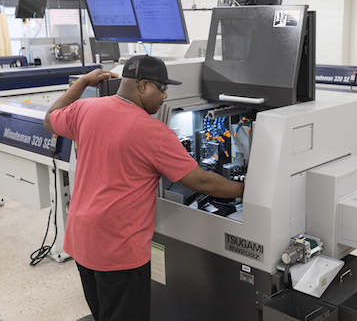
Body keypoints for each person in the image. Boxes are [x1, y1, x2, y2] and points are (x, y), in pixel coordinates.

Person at [43, 55, 244, 321]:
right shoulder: (153, 132)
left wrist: (81, 82)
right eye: (162, 89)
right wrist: (248, 190)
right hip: (119, 252)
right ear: (143, 86)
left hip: (82, 241)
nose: (165, 96)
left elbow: (49, 119)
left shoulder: (86, 109)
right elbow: (201, 181)